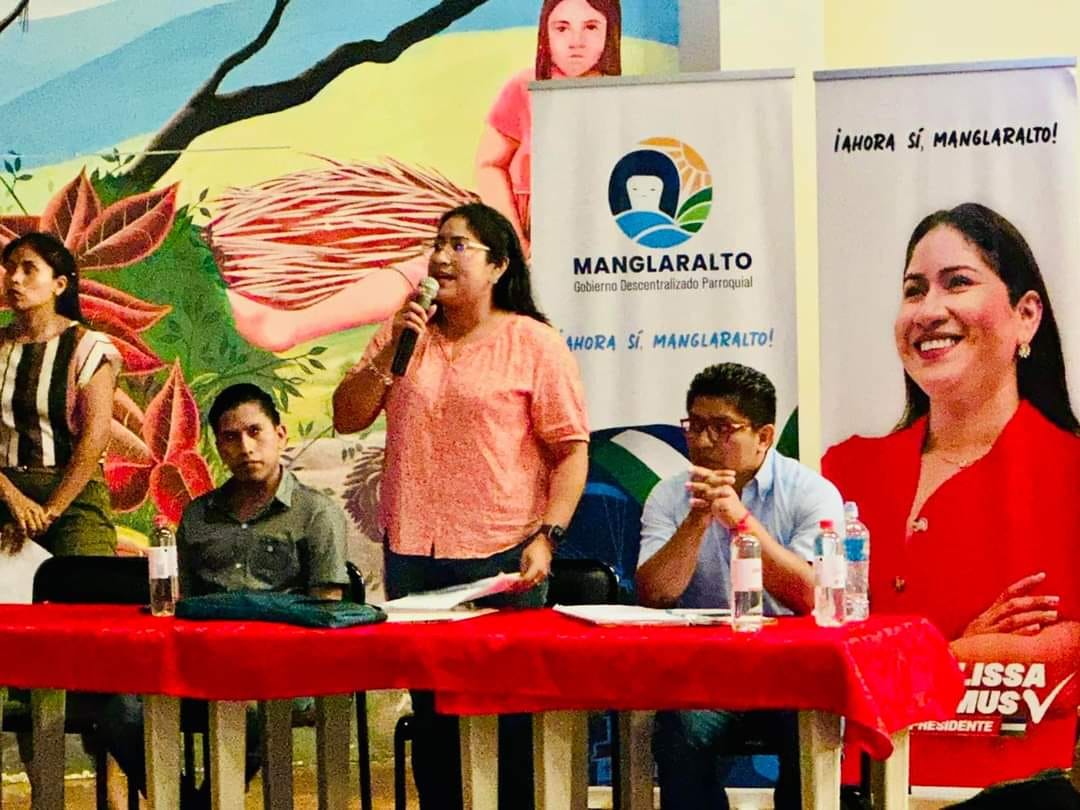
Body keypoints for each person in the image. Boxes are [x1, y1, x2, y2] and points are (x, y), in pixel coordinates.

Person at [333, 201, 589, 810]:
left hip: (502, 557)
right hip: (415, 554)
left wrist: (548, 536)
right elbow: (347, 417)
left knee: (510, 724)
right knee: (435, 723)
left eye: (459, 246)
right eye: (437, 244)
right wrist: (393, 348)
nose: (441, 258)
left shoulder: (534, 343)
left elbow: (571, 452)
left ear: (498, 266)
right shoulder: (404, 332)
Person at [822, 202, 1080, 785]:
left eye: (957, 282)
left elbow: (1057, 664)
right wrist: (960, 649)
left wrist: (896, 658)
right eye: (913, 290)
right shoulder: (847, 469)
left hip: (1006, 791)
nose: (928, 310)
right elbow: (817, 653)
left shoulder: (1068, 473)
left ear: (1026, 316)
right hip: (851, 784)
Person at [100, 383, 349, 805]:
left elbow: (327, 611)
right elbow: (178, 607)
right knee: (117, 708)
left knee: (247, 708)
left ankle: (209, 800)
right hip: (201, 664)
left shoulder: (317, 514)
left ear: (280, 435)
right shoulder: (197, 516)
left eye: (255, 432)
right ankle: (184, 801)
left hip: (283, 671)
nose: (246, 447)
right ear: (218, 446)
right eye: (231, 437)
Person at [636, 363, 842, 810]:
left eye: (722, 428)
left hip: (794, 674)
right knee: (678, 730)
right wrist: (697, 519)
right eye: (695, 426)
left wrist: (740, 521)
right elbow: (655, 594)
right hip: (706, 674)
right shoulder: (669, 495)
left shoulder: (812, 493)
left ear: (764, 436)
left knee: (812, 729)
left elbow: (812, 598)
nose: (703, 442)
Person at [0, 232, 120, 558]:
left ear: (59, 285)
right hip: (4, 493)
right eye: (9, 268)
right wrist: (12, 497)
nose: (14, 278)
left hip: (73, 493)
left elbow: (96, 435)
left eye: (29, 269)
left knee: (86, 581)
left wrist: (50, 511)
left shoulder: (88, 345)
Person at [475, 0, 622, 256]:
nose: (576, 41)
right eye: (562, 28)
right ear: (546, 33)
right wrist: (517, 244)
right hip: (524, 228)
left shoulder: (623, 95)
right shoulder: (525, 87)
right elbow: (489, 165)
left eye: (590, 27)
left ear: (610, 31)